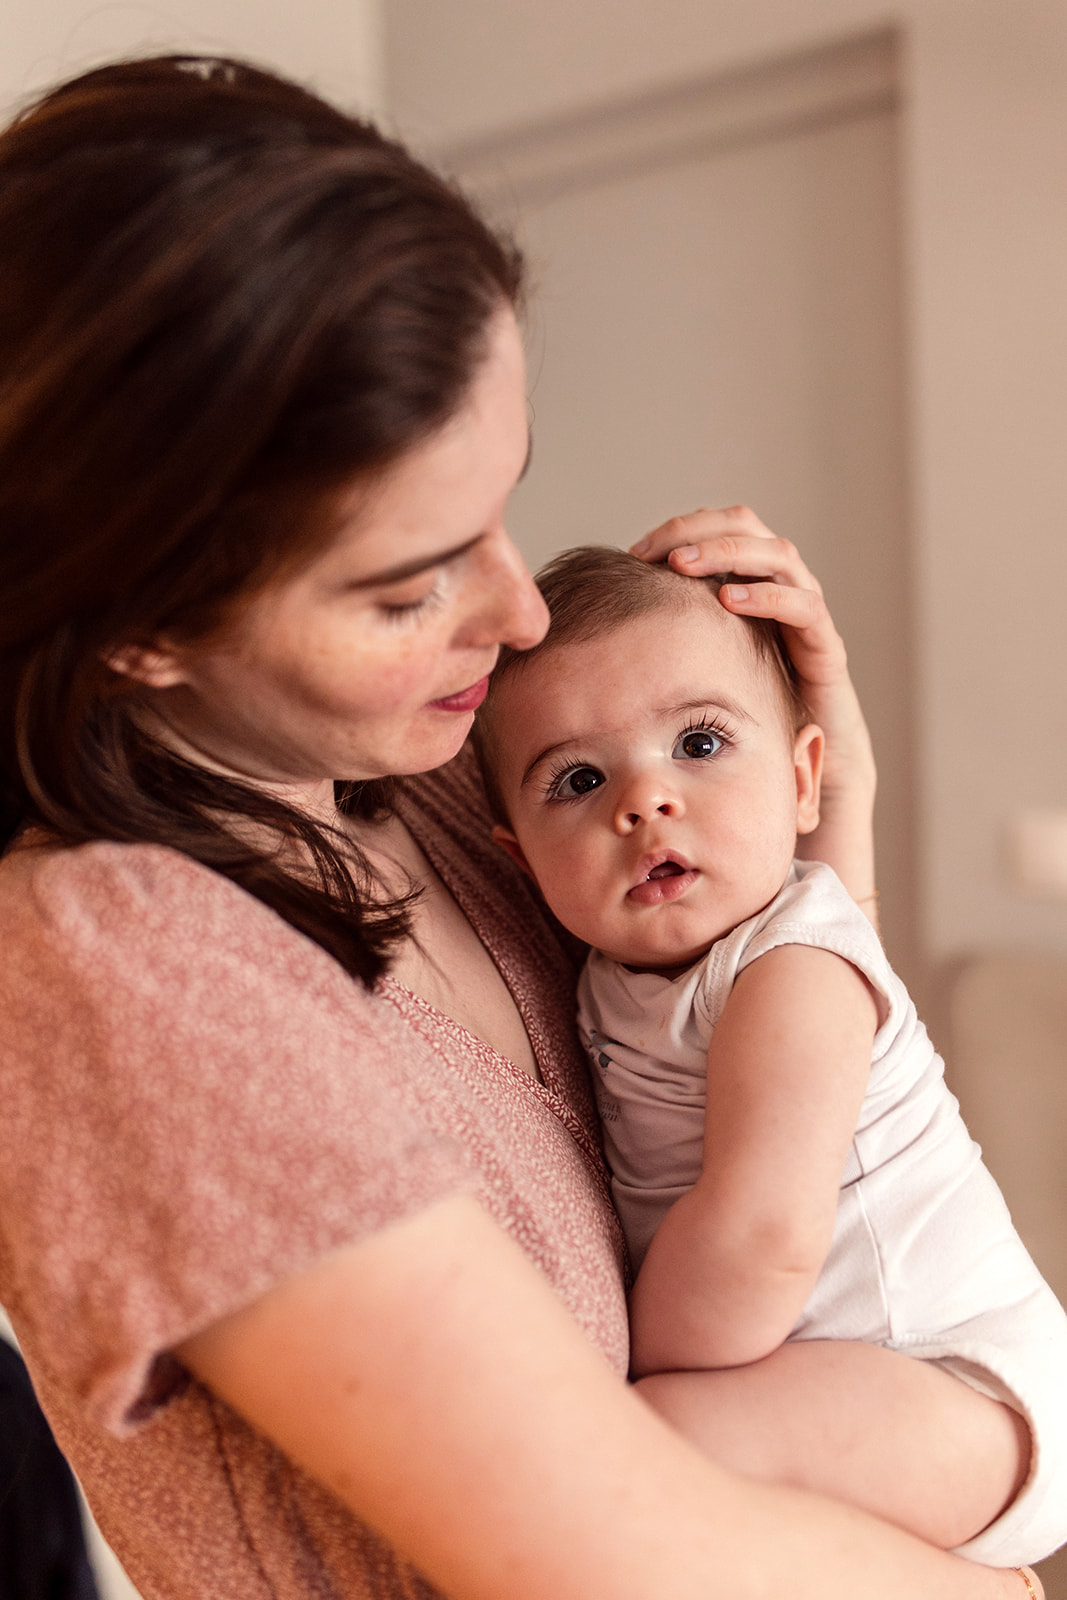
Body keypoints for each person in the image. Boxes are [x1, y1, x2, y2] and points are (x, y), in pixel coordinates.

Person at [0, 53, 1044, 1600]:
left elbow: (779, 1058)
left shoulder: (439, 782)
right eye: (408, 582)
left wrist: (830, 789)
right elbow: (619, 1560)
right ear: (141, 626)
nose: (520, 609)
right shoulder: (123, 970)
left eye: (504, 507)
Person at [477, 544, 1067, 1568]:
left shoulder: (794, 968)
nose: (643, 799)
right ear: (516, 853)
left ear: (802, 782)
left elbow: (760, 1239)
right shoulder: (622, 971)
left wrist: (619, 1359)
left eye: (698, 742)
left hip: (961, 1385)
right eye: (578, 778)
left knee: (644, 1444)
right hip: (839, 1376)